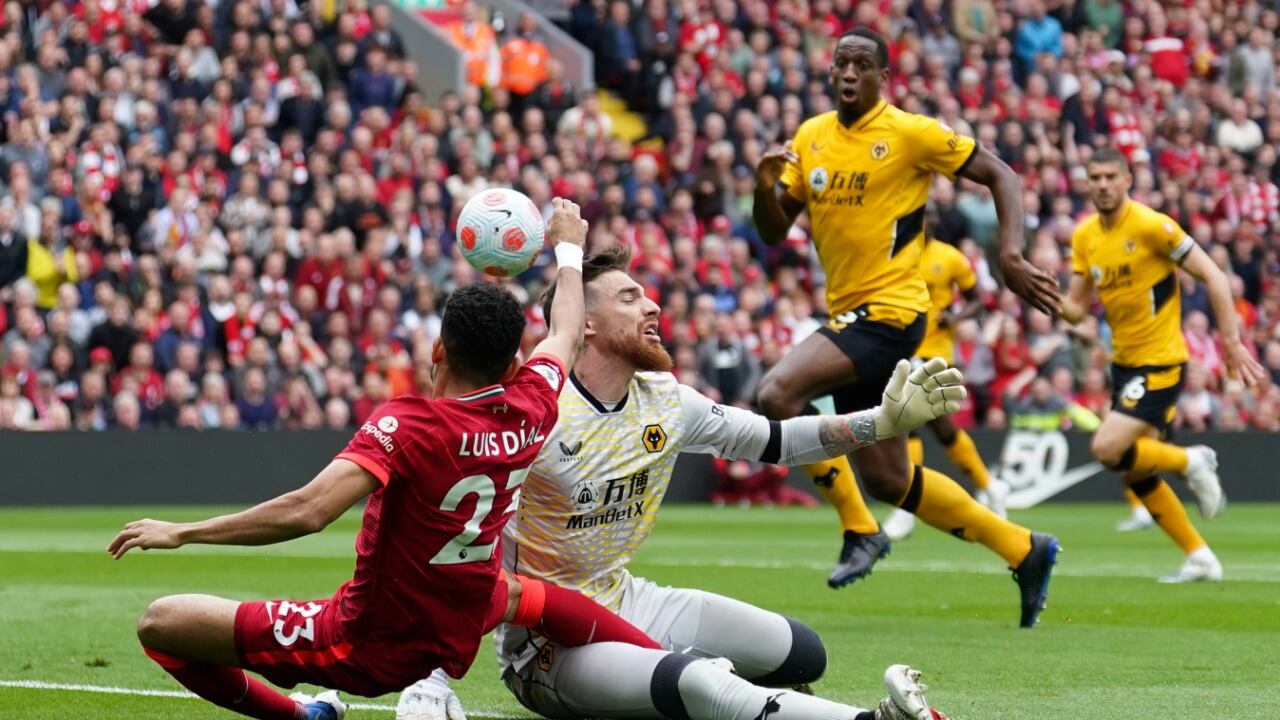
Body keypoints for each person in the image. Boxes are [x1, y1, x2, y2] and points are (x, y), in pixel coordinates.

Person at [106, 201, 664, 720]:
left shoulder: (410, 424)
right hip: (468, 611)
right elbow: (566, 331)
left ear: (437, 351)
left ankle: (302, 715)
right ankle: (664, 663)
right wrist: (569, 249)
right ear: (514, 367)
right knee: (528, 595)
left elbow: (308, 511)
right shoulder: (535, 402)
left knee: (161, 623)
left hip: (371, 642)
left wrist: (182, 532)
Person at [398, 246, 967, 720]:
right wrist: (432, 673)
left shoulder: (667, 399)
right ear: (586, 325)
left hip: (626, 596)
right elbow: (459, 545)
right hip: (547, 644)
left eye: (644, 293)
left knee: (802, 655)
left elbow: (779, 440)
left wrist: (883, 423)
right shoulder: (538, 412)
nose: (652, 304)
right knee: (697, 683)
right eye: (629, 297)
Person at [751, 27, 1061, 628]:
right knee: (891, 478)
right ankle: (1025, 549)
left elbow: (1004, 175)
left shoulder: (910, 133)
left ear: (882, 78)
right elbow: (771, 229)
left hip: (892, 311)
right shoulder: (811, 138)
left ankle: (859, 529)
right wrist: (764, 187)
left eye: (861, 64)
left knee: (776, 394)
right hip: (849, 315)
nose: (848, 72)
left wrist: (1010, 255)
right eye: (841, 62)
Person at [1060, 148, 1267, 583]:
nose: (1101, 184)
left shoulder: (1154, 226)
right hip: (1124, 364)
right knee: (1137, 472)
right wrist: (1036, 289)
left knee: (1105, 448)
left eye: (1109, 176)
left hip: (1161, 363)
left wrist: (1230, 342)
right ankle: (1201, 557)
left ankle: (1192, 459)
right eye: (1093, 176)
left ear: (1127, 178)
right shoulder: (1085, 236)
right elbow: (1076, 310)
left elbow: (1213, 275)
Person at [881, 222, 1010, 541]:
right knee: (941, 429)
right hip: (903, 351)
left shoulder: (950, 258)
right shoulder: (897, 254)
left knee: (908, 424)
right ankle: (990, 486)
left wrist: (957, 318)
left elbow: (978, 299)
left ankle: (906, 506)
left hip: (936, 352)